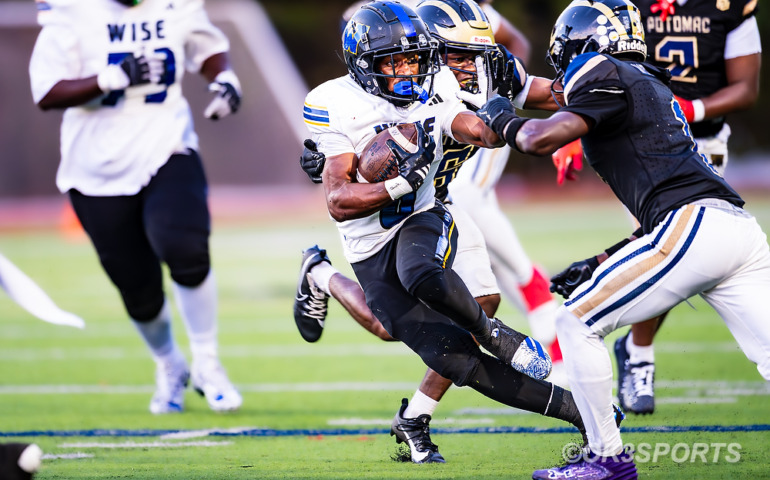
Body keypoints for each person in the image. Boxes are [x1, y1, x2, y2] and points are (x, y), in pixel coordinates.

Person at [472, 0, 770, 477]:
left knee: (574, 323)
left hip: (692, 225)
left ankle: (606, 460)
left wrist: (500, 116)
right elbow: (661, 194)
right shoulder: (647, 80)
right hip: (736, 229)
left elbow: (537, 139)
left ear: (577, 44)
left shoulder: (601, 68)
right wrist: (601, 260)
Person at [303, 0, 587, 464]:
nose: (466, 67)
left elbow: (507, 115)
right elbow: (338, 197)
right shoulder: (347, 98)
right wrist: (380, 174)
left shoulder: (461, 77)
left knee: (465, 296)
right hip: (373, 230)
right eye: (456, 56)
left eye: (474, 55)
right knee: (407, 334)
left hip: (433, 205)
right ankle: (321, 274)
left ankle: (463, 371)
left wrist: (539, 123)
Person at [29, 0, 243, 414]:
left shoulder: (175, 5)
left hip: (167, 144)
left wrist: (225, 78)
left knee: (185, 248)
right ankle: (170, 364)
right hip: (95, 168)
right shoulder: (71, 10)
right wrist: (110, 77)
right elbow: (46, 92)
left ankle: (207, 363)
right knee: (137, 288)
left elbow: (208, 48)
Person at [610, 0, 763, 415]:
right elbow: (596, 71)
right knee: (663, 244)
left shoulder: (728, 7)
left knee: (687, 253)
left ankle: (635, 348)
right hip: (643, 140)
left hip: (703, 145)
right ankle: (640, 356)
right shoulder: (629, 6)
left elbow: (746, 88)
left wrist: (692, 108)